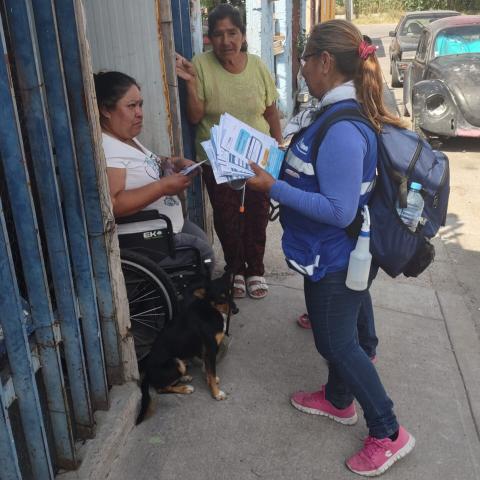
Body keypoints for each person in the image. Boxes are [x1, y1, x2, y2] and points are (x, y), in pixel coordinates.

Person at [247, 20, 415, 476]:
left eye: (304, 59)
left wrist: (273, 188)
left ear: (325, 62)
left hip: (335, 256)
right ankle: (339, 400)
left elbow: (339, 209)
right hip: (329, 253)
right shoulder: (331, 112)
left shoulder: (341, 128)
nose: (298, 68)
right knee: (343, 337)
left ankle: (389, 431)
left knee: (337, 343)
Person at [176, 3, 282, 299]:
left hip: (257, 157)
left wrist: (278, 150)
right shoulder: (200, 64)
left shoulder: (259, 66)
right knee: (227, 216)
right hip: (218, 160)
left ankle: (256, 270)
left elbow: (271, 112)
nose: (226, 41)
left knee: (258, 215)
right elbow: (196, 117)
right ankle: (235, 269)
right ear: (209, 38)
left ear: (243, 35)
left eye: (232, 33)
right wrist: (193, 83)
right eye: (219, 34)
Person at [94, 70, 214, 274]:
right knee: (203, 255)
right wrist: (163, 187)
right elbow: (113, 204)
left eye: (140, 105)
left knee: (202, 244)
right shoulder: (109, 149)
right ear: (106, 109)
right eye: (131, 106)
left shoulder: (124, 136)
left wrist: (171, 162)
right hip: (146, 238)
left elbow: (143, 161)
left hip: (165, 227)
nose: (139, 112)